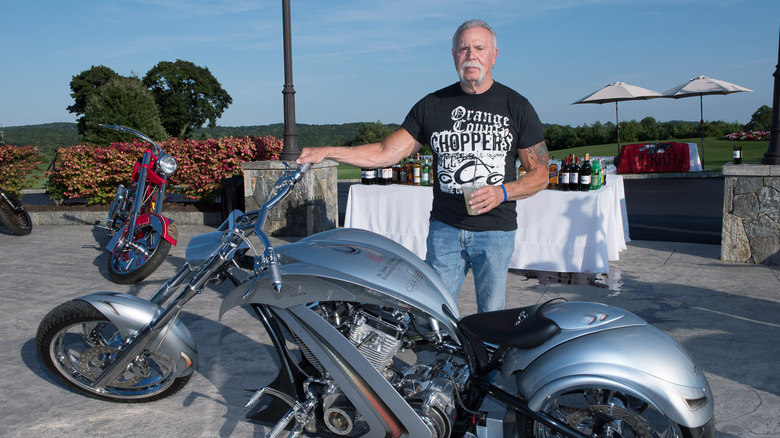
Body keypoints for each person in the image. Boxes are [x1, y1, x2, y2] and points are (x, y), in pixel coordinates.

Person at [297, 19, 549, 313]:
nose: (471, 55)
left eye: (479, 48)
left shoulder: (516, 106)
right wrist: (328, 151)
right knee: (433, 312)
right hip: (445, 230)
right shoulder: (433, 105)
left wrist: (501, 192)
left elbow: (540, 174)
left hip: (496, 231)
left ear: (494, 55)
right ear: (453, 55)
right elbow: (385, 152)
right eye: (463, 48)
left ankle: (488, 346)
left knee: (492, 315)